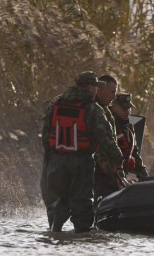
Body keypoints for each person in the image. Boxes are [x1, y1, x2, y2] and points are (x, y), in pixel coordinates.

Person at [40, 71, 126, 233]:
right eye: (95, 86)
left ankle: (55, 233)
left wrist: (51, 157)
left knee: (58, 201)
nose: (96, 90)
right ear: (88, 87)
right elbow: (106, 139)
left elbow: (46, 135)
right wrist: (118, 160)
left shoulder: (55, 104)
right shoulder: (92, 109)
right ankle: (82, 236)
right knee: (82, 202)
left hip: (56, 161)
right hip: (81, 161)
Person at [111, 93, 149, 180]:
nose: (127, 111)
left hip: (122, 174)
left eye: (129, 108)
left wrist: (142, 171)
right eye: (124, 108)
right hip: (106, 174)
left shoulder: (128, 126)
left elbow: (134, 150)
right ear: (114, 106)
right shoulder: (108, 123)